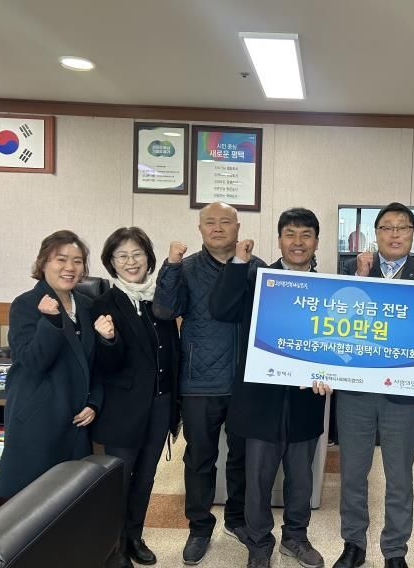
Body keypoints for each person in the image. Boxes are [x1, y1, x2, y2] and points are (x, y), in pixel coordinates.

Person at [209, 207, 329, 568]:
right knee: (257, 479)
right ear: (279, 240)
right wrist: (237, 262)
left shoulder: (327, 290)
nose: (298, 242)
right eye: (290, 234)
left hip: (306, 399)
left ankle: (296, 537)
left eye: (306, 235)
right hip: (260, 400)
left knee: (301, 478)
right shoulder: (257, 278)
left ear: (316, 242)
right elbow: (221, 309)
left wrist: (333, 373)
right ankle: (259, 542)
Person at [153, 202, 266, 565]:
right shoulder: (185, 269)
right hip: (200, 382)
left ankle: (236, 519)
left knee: (242, 458)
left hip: (246, 382)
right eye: (210, 222)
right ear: (200, 229)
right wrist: (170, 267)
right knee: (200, 458)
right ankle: (199, 527)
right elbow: (164, 310)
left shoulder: (256, 267)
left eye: (225, 222)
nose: (217, 228)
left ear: (238, 227)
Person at [337, 202, 414, 568]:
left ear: (413, 233)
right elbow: (338, 322)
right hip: (356, 390)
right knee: (353, 472)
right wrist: (361, 278)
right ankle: (353, 543)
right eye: (387, 227)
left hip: (403, 392)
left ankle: (395, 550)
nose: (395, 234)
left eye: (403, 227)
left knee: (399, 476)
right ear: (376, 233)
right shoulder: (352, 269)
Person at [92, 227, 180, 568]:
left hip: (160, 403)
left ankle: (134, 537)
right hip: (123, 410)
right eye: (122, 256)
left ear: (148, 258)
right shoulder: (104, 304)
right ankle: (114, 548)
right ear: (111, 263)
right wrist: (108, 340)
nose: (131, 262)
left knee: (146, 477)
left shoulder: (159, 302)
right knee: (120, 480)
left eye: (137, 254)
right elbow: (104, 365)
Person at [0, 230, 104, 499]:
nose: (70, 268)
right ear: (43, 263)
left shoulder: (88, 306)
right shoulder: (25, 304)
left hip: (77, 420)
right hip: (38, 419)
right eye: (61, 260)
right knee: (29, 502)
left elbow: (96, 363)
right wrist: (51, 322)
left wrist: (94, 402)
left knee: (70, 501)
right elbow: (33, 361)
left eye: (77, 261)